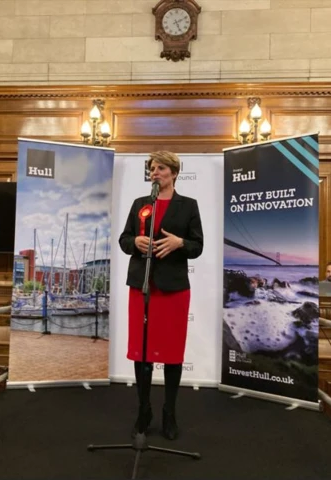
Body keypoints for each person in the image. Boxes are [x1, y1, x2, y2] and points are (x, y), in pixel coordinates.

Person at [119, 151, 203, 440]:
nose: (155, 172)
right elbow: (124, 239)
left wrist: (180, 242)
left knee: (171, 354)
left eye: (161, 168)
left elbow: (197, 246)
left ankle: (169, 412)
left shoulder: (188, 206)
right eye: (152, 168)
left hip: (174, 289)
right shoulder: (140, 204)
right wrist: (135, 242)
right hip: (141, 287)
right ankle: (144, 410)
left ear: (174, 173)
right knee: (142, 353)